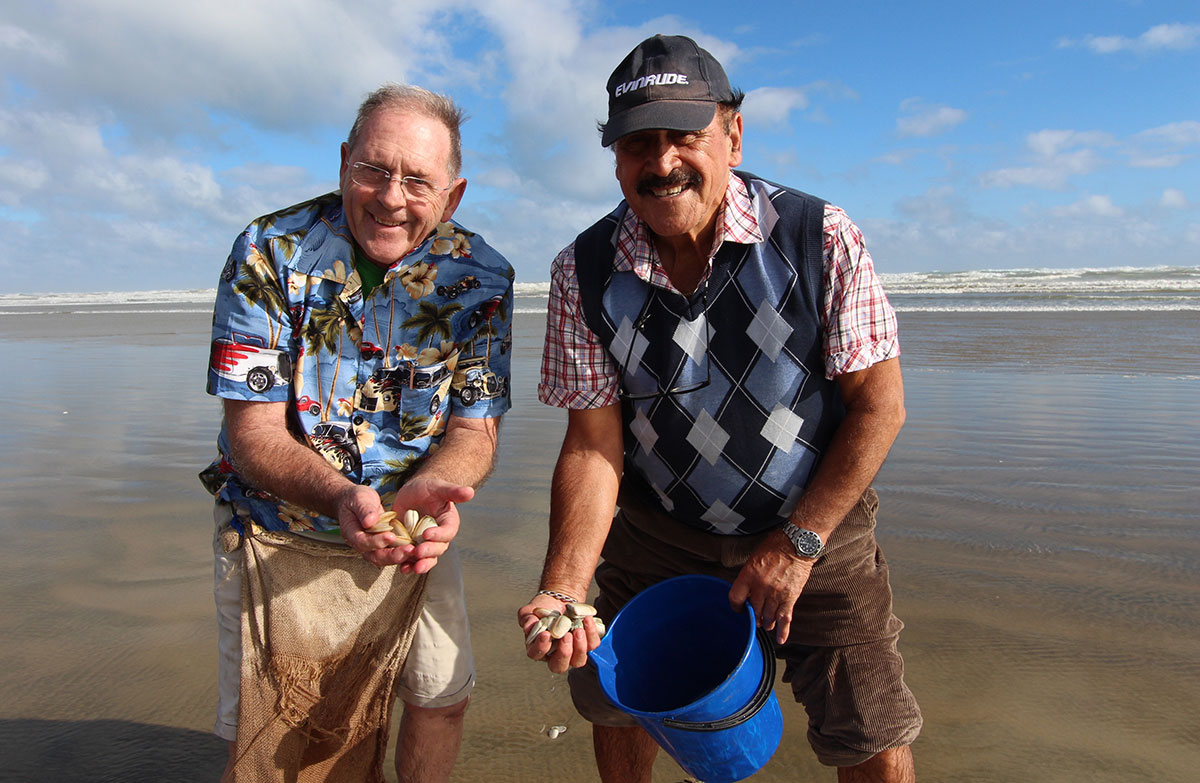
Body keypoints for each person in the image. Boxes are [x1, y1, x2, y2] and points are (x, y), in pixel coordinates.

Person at [519, 35, 920, 782]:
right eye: (640, 143)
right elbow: (593, 445)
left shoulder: (816, 236)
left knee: (867, 719)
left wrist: (798, 544)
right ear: (615, 156)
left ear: (733, 135)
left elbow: (879, 409)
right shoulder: (582, 269)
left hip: (816, 527)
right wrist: (565, 585)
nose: (662, 162)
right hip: (659, 533)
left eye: (684, 137)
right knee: (615, 697)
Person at [202, 83, 513, 782]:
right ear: (344, 163)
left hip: (414, 531)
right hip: (277, 530)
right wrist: (342, 496)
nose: (391, 197)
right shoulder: (267, 252)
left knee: (440, 695)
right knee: (279, 731)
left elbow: (476, 428)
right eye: (373, 169)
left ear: (453, 195)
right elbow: (252, 433)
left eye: (418, 180)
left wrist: (436, 488)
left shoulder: (483, 278)